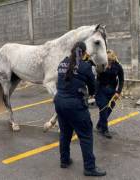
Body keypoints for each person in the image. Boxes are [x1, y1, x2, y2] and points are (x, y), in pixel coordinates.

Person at [54, 41, 106, 176]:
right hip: (74, 105)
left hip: (59, 102)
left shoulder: (62, 63)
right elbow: (93, 87)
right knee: (86, 135)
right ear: (83, 53)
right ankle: (89, 167)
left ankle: (64, 160)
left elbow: (60, 81)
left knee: (65, 133)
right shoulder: (85, 66)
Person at [95, 49, 124, 139]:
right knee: (103, 109)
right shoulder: (101, 65)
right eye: (108, 59)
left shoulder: (118, 66)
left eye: (111, 60)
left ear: (114, 58)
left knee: (109, 109)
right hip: (101, 90)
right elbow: (96, 77)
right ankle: (105, 129)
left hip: (112, 91)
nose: (109, 61)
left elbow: (121, 80)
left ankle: (100, 124)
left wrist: (118, 92)